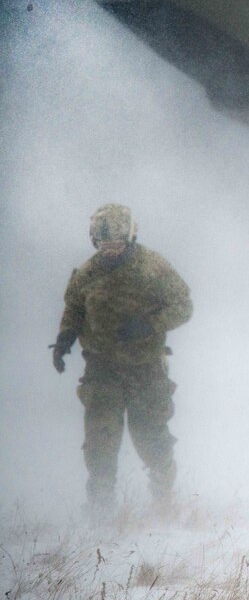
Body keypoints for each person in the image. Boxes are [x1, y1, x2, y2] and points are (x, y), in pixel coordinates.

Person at [51, 204, 193, 520]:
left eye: (116, 244)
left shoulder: (153, 268)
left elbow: (184, 306)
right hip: (102, 369)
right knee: (100, 442)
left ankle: (164, 500)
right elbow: (74, 309)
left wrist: (150, 324)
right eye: (103, 246)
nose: (110, 251)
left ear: (129, 238)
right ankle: (101, 510)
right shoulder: (87, 274)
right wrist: (64, 340)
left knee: (152, 439)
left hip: (145, 367)